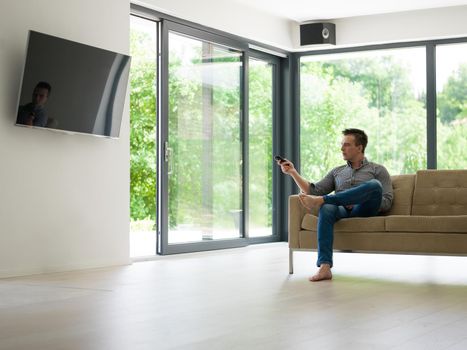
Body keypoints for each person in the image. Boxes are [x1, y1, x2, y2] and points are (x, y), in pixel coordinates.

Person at [277, 128, 393, 282]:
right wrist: (292, 172)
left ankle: (325, 200)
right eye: (342, 144)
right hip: (341, 210)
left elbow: (386, 201)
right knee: (327, 207)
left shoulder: (377, 170)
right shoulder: (337, 172)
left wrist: (357, 199)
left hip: (365, 208)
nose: (342, 148)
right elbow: (314, 190)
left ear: (359, 147)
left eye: (346, 145)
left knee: (374, 185)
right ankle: (324, 267)